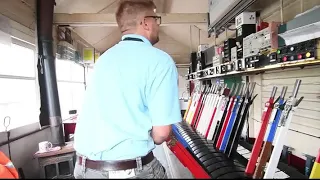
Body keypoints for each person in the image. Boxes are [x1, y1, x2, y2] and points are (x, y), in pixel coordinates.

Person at [73, 0, 182, 179]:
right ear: (146, 22)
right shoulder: (160, 61)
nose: (158, 25)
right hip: (126, 171)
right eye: (156, 19)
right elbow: (162, 134)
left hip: (85, 169)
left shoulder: (103, 60)